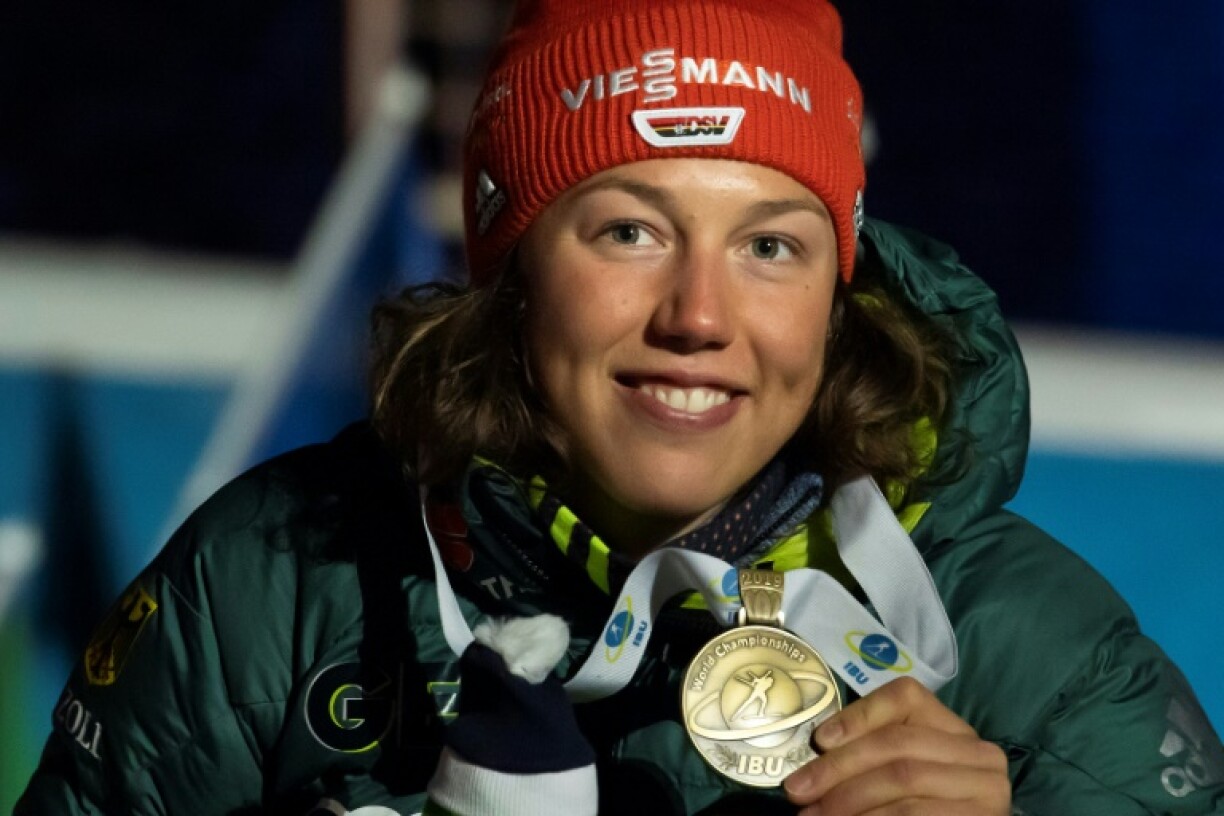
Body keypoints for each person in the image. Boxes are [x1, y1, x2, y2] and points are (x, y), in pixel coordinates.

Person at [17, 0, 1224, 814]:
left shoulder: (1040, 655)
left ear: (837, 295)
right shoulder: (276, 577)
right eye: (631, 231)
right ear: (515, 267)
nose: (698, 314)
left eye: (770, 246)